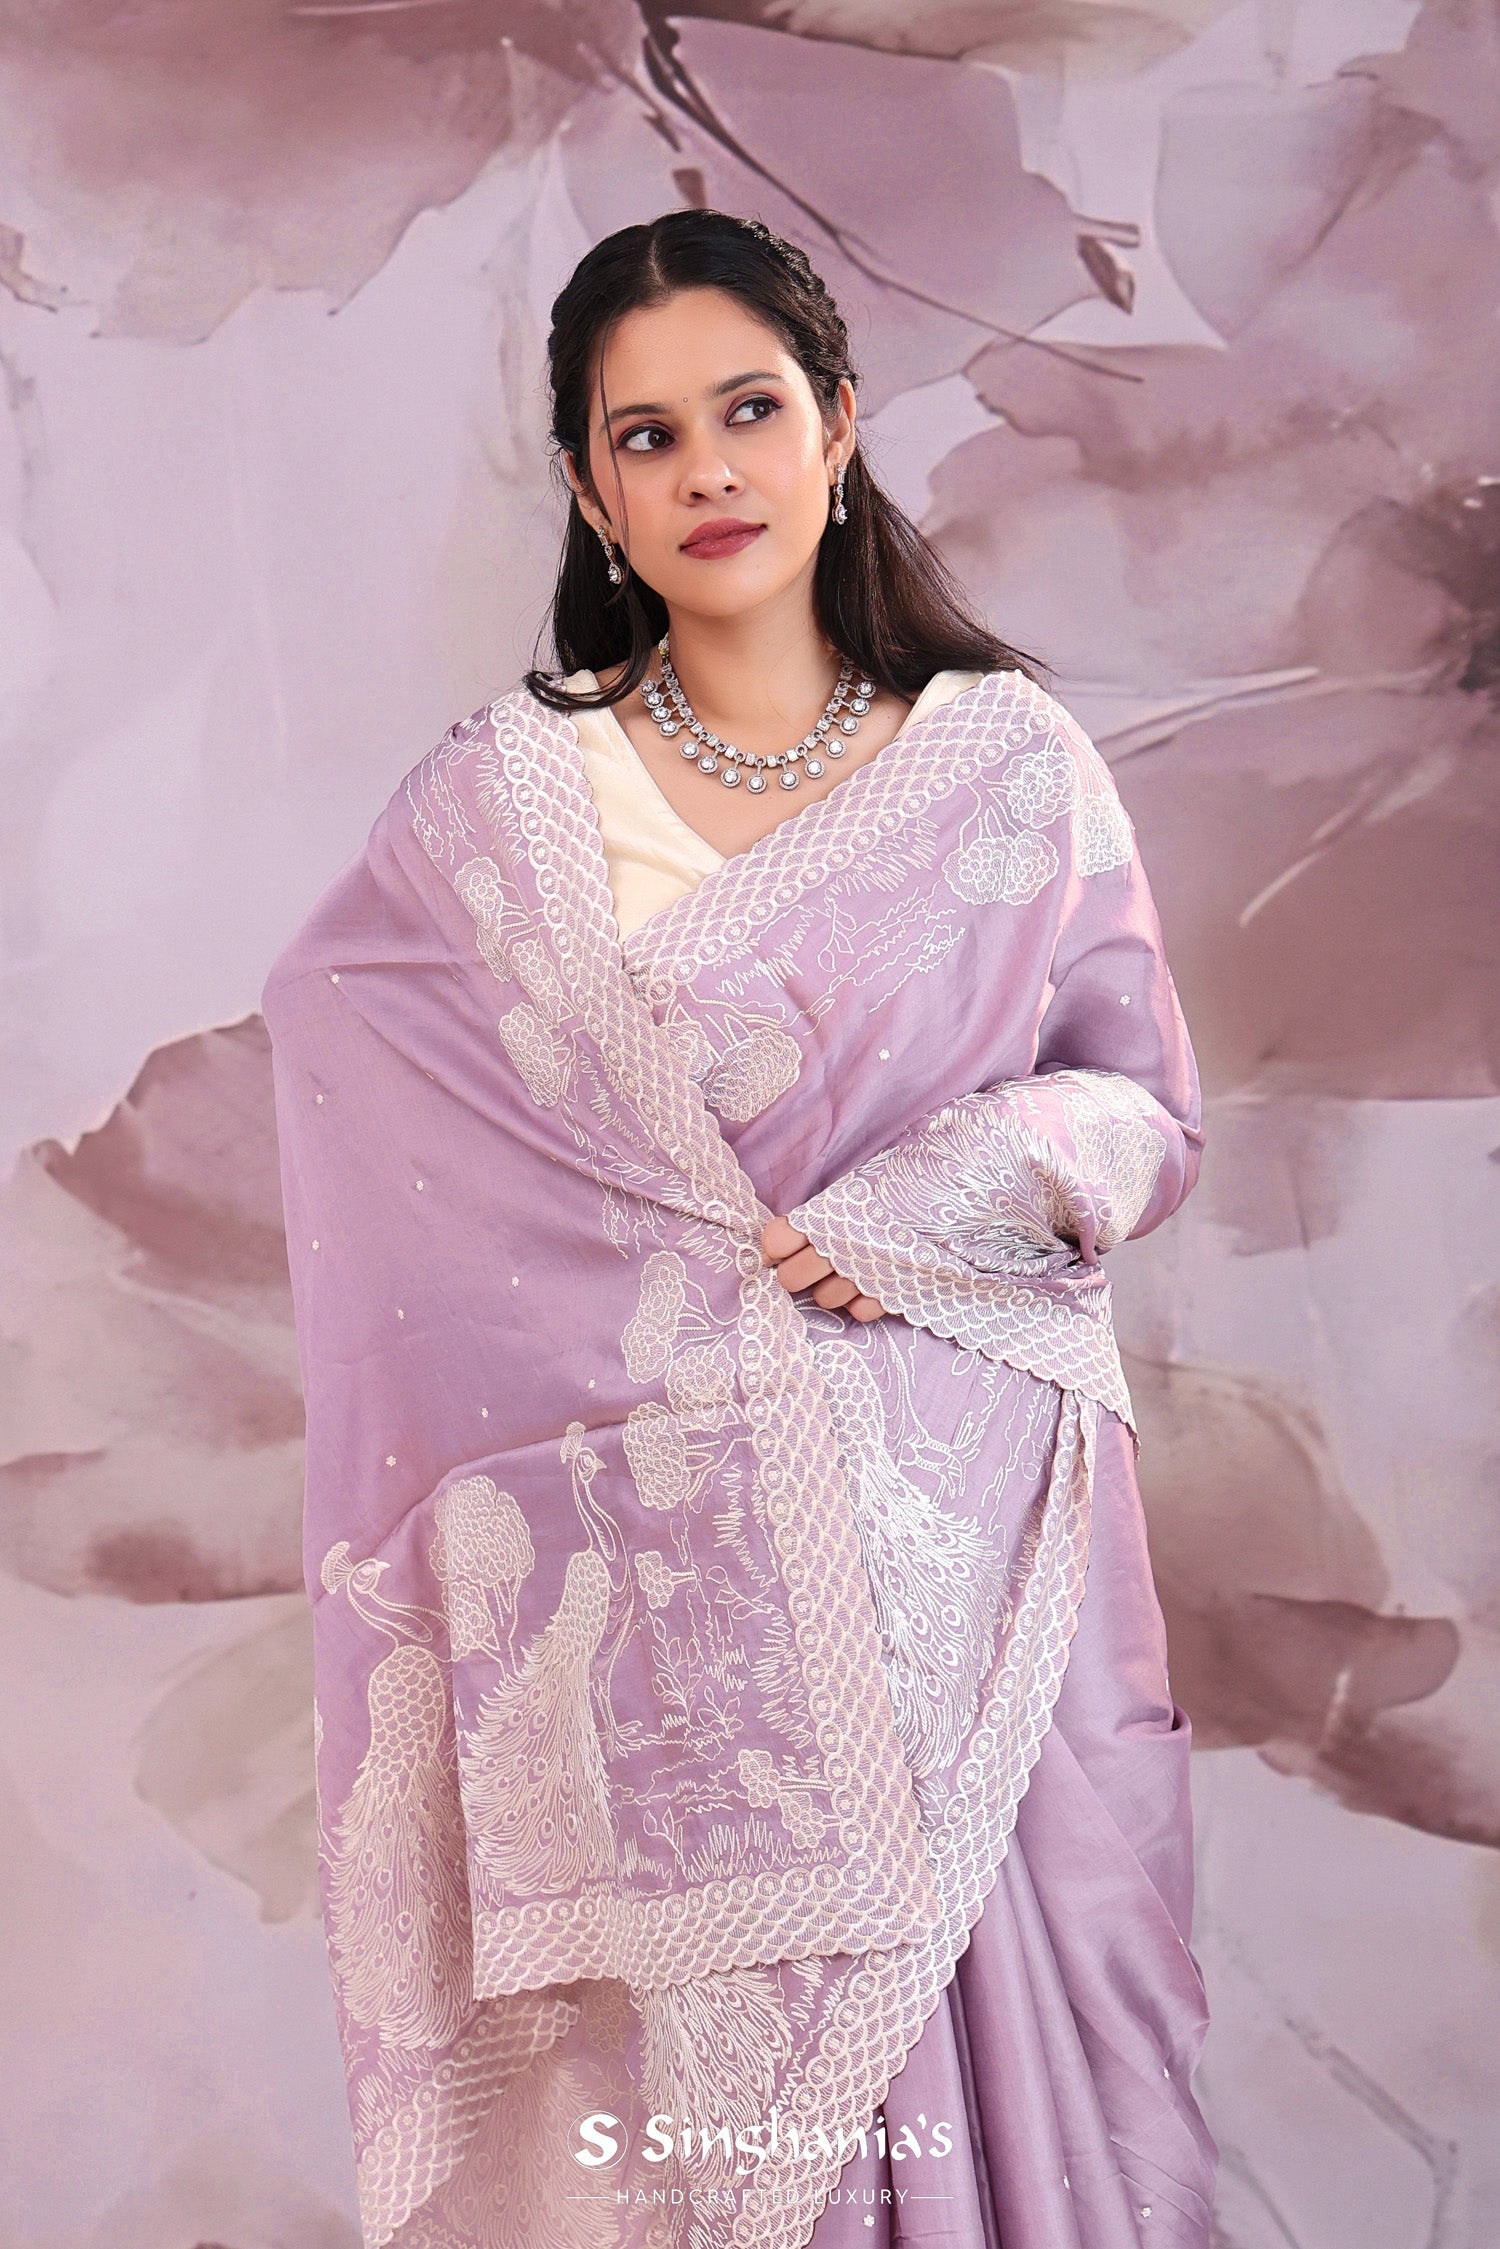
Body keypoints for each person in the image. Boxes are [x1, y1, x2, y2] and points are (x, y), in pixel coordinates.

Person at [261, 207, 1217, 2249]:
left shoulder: (1006, 768)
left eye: (751, 411)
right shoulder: (507, 809)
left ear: (839, 426)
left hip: (978, 1568)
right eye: (649, 436)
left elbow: (1143, 1108)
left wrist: (932, 1201)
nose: (710, 469)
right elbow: (390, 1137)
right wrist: (673, 1319)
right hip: (675, 1624)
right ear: (592, 488)